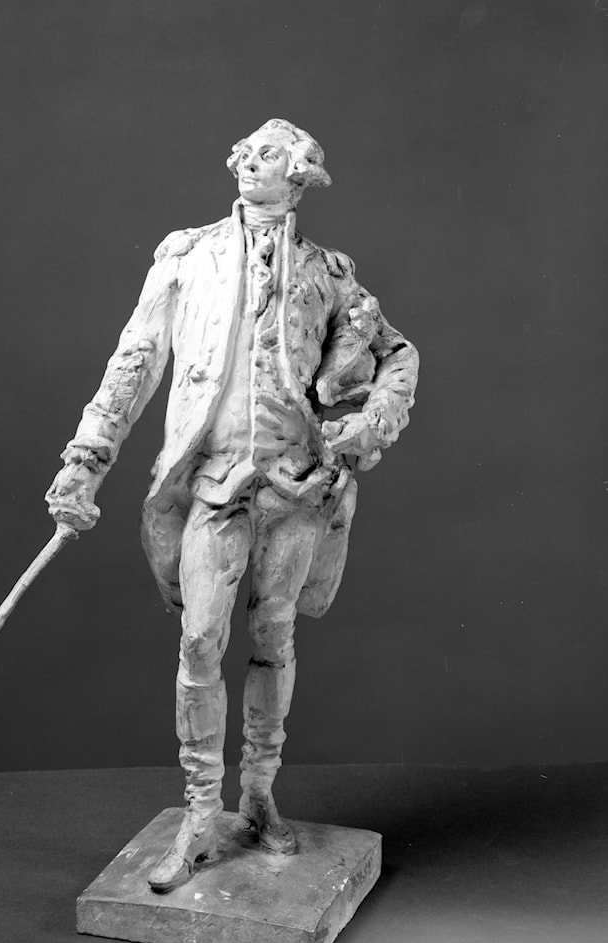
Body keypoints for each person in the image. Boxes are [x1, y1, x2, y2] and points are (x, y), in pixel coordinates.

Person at [45, 119, 419, 892]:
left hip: (296, 486)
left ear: (300, 174)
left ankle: (257, 795)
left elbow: (396, 356)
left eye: (268, 154)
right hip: (210, 484)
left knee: (274, 637)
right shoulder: (187, 258)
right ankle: (197, 810)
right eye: (244, 152)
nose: (249, 161)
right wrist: (85, 462)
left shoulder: (328, 276)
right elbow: (134, 363)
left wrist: (369, 425)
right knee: (198, 641)